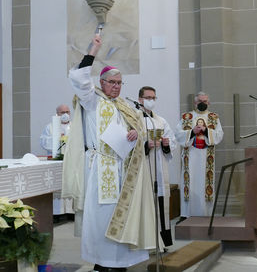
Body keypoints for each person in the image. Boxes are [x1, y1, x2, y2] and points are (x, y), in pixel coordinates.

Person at [62, 34, 157, 272]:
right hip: (100, 168)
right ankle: (101, 264)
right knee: (101, 217)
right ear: (102, 83)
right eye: (111, 82)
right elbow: (78, 77)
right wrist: (93, 49)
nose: (115, 86)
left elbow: (138, 132)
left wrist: (136, 134)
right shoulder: (92, 100)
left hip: (124, 169)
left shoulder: (125, 106)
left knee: (123, 214)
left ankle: (122, 263)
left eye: (119, 83)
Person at [138, 86, 176, 248]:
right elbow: (128, 142)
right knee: (146, 204)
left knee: (161, 203)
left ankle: (162, 242)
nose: (151, 100)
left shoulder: (161, 121)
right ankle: (147, 243)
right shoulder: (135, 119)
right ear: (140, 100)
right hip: (144, 167)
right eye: (148, 97)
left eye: (154, 98)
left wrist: (166, 144)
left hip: (160, 168)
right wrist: (146, 145)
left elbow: (172, 140)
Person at [175, 92, 223, 220]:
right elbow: (178, 134)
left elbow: (219, 135)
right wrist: (192, 132)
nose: (202, 103)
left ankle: (205, 214)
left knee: (205, 183)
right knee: (189, 182)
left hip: (206, 158)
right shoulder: (186, 117)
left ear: (209, 103)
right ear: (195, 103)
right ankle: (186, 215)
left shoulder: (214, 117)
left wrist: (206, 130)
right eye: (199, 101)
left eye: (205, 101)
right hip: (190, 156)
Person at [40, 104, 74, 221]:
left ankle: (71, 211)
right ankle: (57, 212)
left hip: (72, 162)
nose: (65, 114)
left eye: (67, 112)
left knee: (71, 183)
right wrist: (56, 137)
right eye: (62, 112)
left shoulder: (75, 127)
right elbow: (43, 142)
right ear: (57, 114)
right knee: (57, 185)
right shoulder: (50, 127)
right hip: (56, 162)